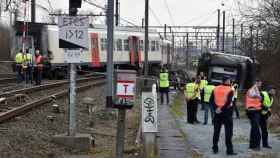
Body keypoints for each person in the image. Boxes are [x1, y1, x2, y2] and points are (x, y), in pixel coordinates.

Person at [210, 76, 237, 155]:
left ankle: (215, 148)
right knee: (228, 132)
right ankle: (229, 150)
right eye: (229, 80)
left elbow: (211, 100)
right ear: (227, 81)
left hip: (217, 113)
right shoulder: (230, 89)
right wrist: (221, 109)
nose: (230, 81)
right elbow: (228, 102)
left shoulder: (215, 88)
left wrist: (216, 109)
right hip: (227, 112)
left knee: (216, 131)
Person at [246, 79, 263, 150]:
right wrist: (258, 96)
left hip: (255, 111)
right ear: (256, 83)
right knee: (256, 129)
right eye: (259, 83)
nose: (260, 85)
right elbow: (252, 95)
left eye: (261, 83)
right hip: (253, 111)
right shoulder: (253, 89)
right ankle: (256, 145)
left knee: (254, 128)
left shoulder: (256, 89)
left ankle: (252, 145)